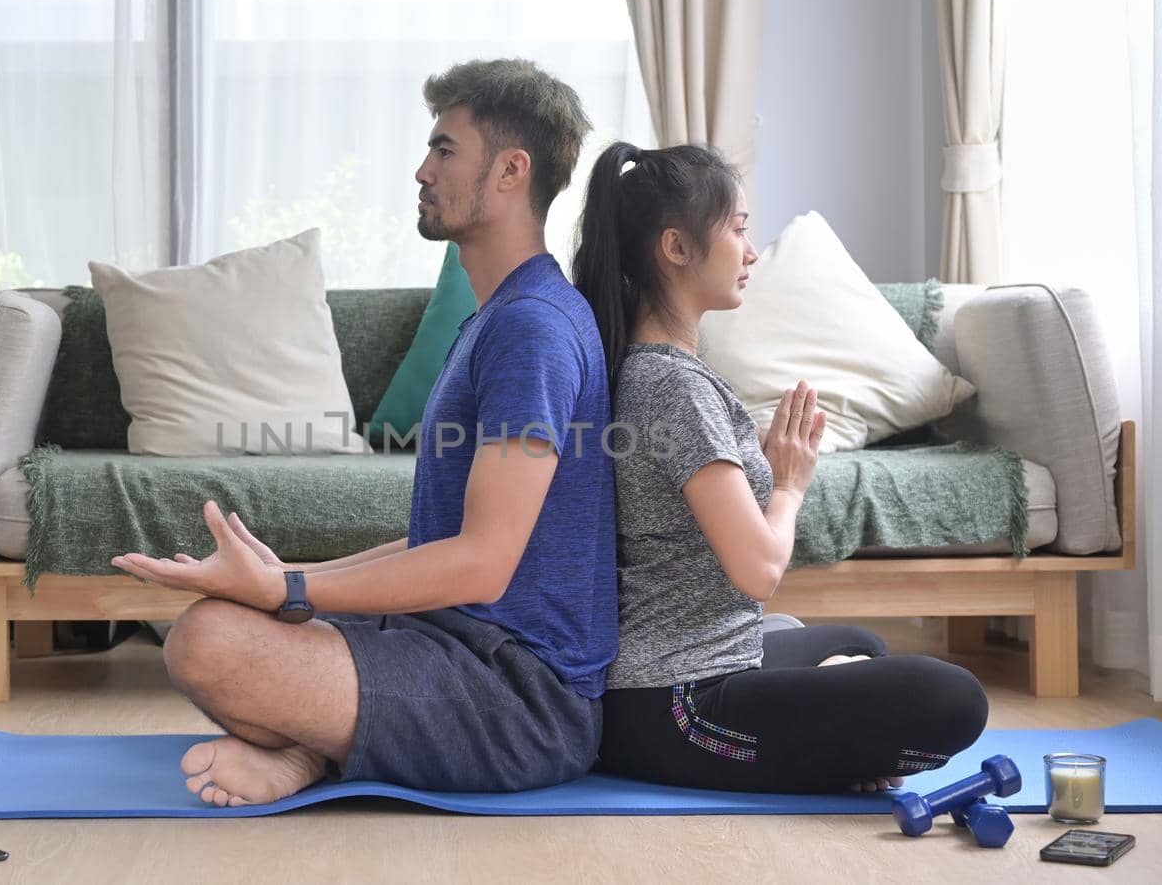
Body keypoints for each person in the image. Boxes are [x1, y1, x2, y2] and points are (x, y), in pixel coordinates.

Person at [112, 58, 618, 807]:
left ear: (511, 171)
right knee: (223, 619)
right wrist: (288, 588)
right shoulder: (500, 317)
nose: (422, 169)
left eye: (445, 149)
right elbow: (436, 539)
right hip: (455, 647)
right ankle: (314, 747)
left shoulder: (532, 329)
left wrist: (290, 589)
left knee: (206, 643)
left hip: (520, 698)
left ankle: (314, 749)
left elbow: (482, 564)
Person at [570, 141, 989, 794]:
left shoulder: (648, 371)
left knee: (860, 645)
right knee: (955, 699)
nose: (751, 250)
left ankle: (826, 743)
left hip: (674, 680)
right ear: (676, 247)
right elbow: (759, 569)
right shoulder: (674, 386)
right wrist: (788, 483)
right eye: (737, 229)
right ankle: (829, 753)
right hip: (679, 708)